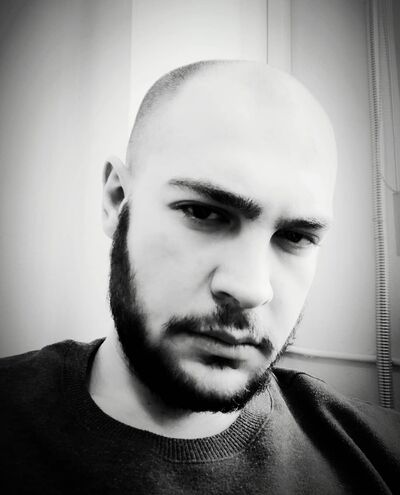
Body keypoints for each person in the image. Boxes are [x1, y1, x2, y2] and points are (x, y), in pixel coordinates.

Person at [0, 60, 399, 494]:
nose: (250, 288)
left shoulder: (379, 453)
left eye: (296, 236)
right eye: (203, 213)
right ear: (117, 201)